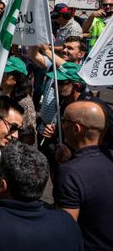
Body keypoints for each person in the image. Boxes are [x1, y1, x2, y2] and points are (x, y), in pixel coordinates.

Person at [56, 101, 113, 250]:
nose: (61, 125)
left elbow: (65, 230)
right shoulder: (109, 160)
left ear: (76, 128)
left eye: (64, 120)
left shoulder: (70, 173)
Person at [0, 57, 37, 145]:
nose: (1, 75)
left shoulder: (25, 102)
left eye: (6, 73)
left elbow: (28, 133)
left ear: (16, 79)